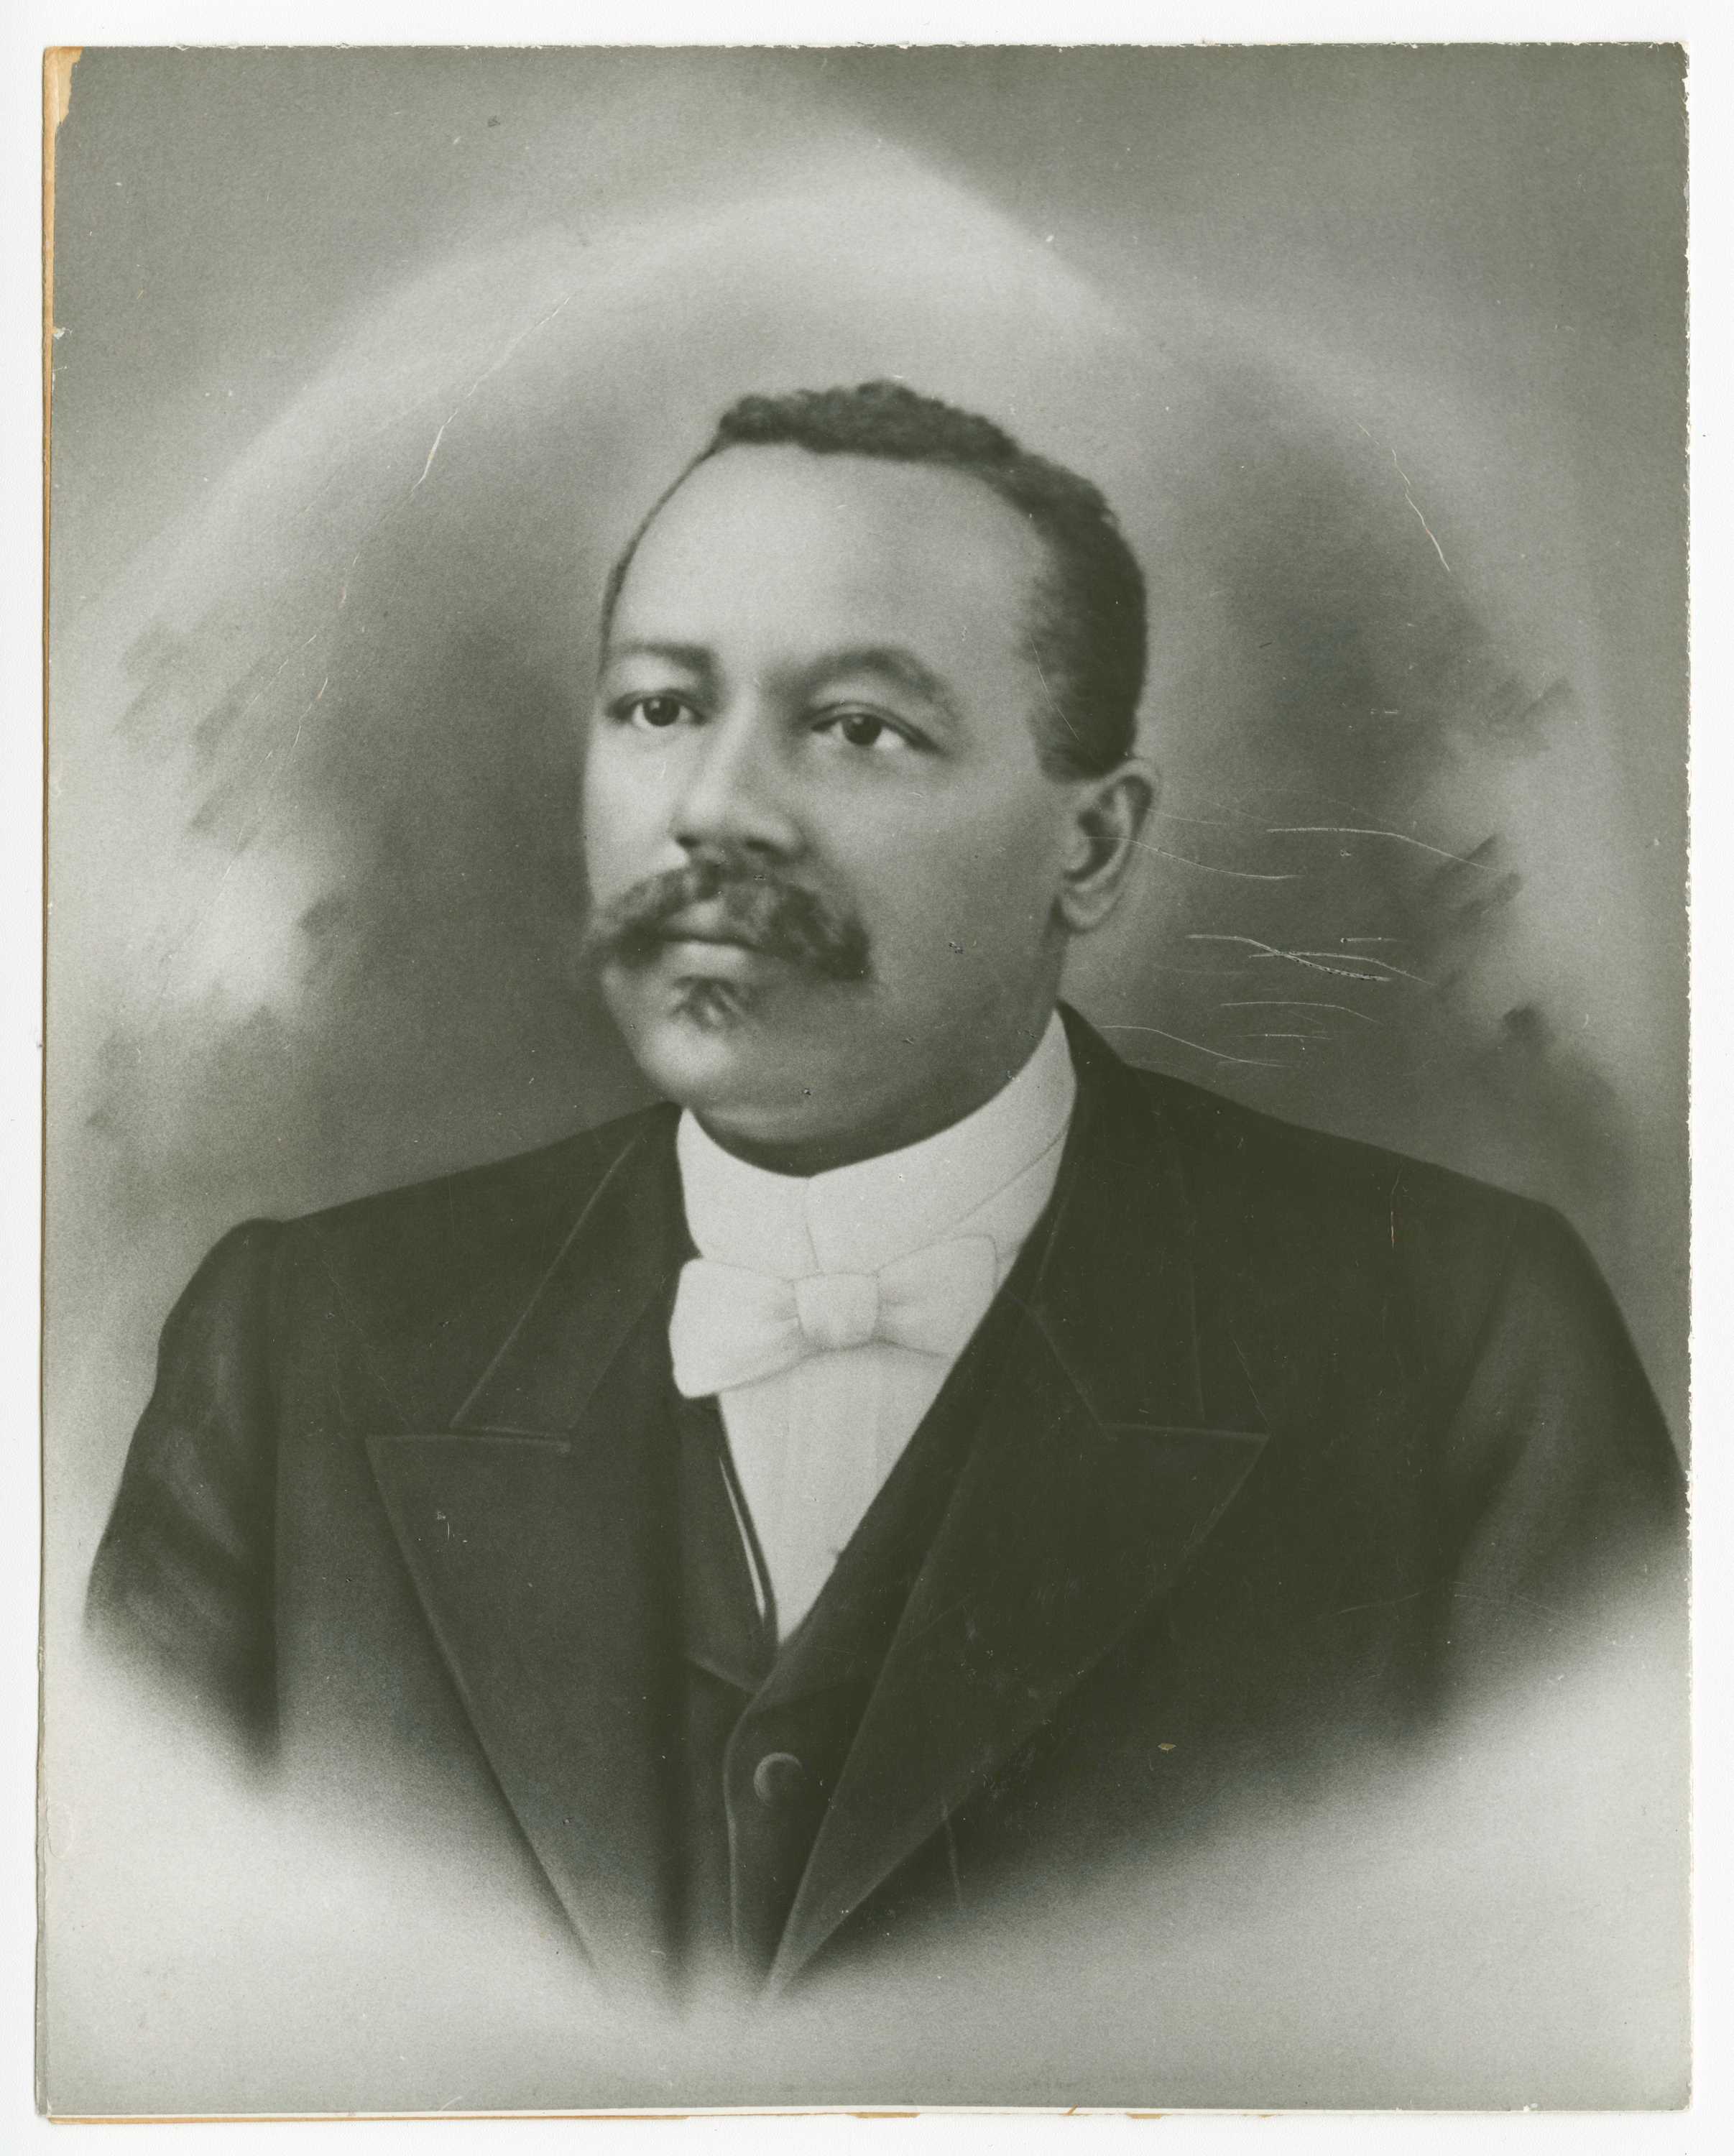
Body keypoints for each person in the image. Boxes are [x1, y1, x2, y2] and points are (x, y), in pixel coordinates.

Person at [88, 380, 1684, 2004]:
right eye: (657, 708)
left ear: (1094, 847)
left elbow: (1596, 2027)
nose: (713, 808)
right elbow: (125, 2023)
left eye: (857, 727)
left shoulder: (1465, 1349)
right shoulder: (297, 1347)